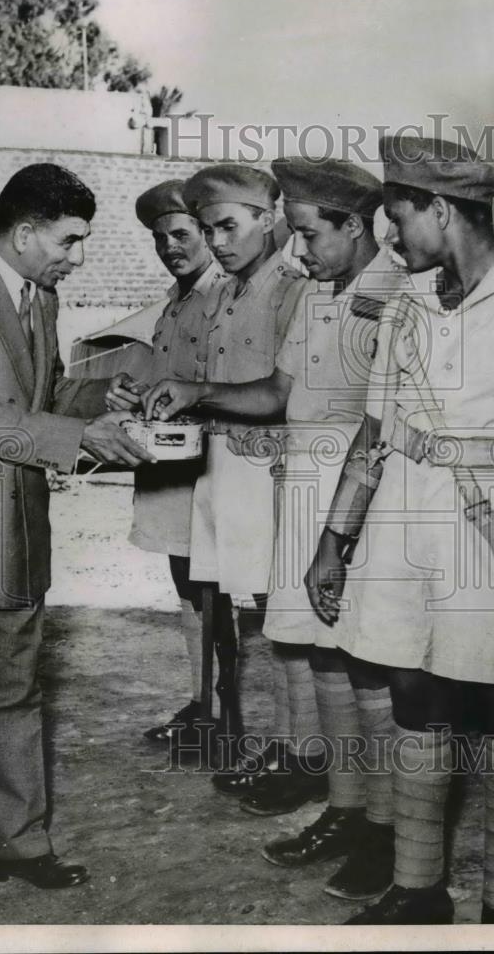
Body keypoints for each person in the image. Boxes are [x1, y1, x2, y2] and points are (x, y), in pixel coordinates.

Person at [305, 135, 494, 924]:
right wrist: (333, 540)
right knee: (413, 690)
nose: (389, 239)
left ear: (442, 209)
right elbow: (374, 429)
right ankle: (418, 890)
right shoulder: (408, 300)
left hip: (493, 524)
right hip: (401, 517)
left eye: (398, 218)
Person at [0, 163, 151, 918]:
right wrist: (81, 434)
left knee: (14, 691)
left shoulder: (39, 293)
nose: (77, 256)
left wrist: (98, 400)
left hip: (18, 535)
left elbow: (37, 394)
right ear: (24, 233)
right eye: (70, 241)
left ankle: (17, 841)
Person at [145, 158, 408, 836]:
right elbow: (277, 394)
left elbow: (385, 423)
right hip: (301, 488)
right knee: (312, 650)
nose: (299, 250)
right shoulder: (322, 292)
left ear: (354, 226)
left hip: (359, 498)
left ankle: (373, 820)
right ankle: (342, 807)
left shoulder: (399, 293)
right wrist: (195, 391)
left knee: (361, 663)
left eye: (309, 234)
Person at [144, 162, 318, 809]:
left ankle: (297, 752)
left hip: (268, 472)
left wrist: (201, 393)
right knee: (248, 620)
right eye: (210, 229)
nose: (217, 242)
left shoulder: (290, 290)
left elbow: (286, 393)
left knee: (281, 624)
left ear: (269, 219)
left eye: (227, 226)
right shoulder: (229, 291)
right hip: (224, 472)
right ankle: (263, 741)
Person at [125, 179, 228, 747]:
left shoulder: (225, 297)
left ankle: (220, 713)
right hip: (172, 464)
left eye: (182, 235)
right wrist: (130, 392)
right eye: (161, 238)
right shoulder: (175, 298)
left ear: (208, 235)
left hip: (209, 463)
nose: (170, 247)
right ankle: (202, 703)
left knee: (212, 591)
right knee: (188, 588)